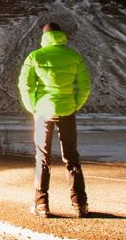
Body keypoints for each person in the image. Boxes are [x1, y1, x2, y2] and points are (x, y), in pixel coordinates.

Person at [18, 22, 91, 218]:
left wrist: (32, 107)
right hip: (67, 111)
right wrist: (75, 105)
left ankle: (41, 204)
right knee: (72, 157)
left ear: (44, 37)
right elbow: (85, 86)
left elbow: (24, 85)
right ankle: (80, 204)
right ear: (61, 35)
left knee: (42, 158)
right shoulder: (74, 56)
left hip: (43, 112)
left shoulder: (35, 57)